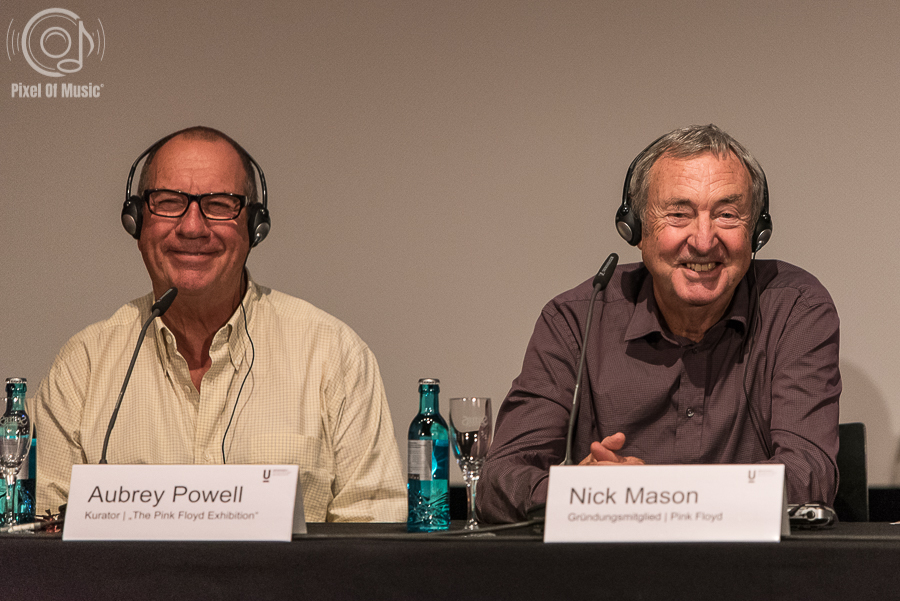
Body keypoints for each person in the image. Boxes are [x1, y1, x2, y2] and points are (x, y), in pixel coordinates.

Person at [34, 126, 406, 522]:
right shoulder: (83, 368)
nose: (192, 227)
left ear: (254, 227)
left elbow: (373, 533)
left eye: (218, 205)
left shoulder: (334, 356)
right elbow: (38, 535)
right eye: (169, 202)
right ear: (137, 222)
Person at [478, 124, 840, 523]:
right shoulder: (576, 320)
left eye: (726, 215)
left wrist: (642, 497)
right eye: (678, 214)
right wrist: (580, 491)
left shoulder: (795, 310)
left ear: (757, 231)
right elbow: (499, 481)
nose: (703, 240)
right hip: (607, 562)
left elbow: (808, 476)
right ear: (635, 229)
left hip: (748, 561)